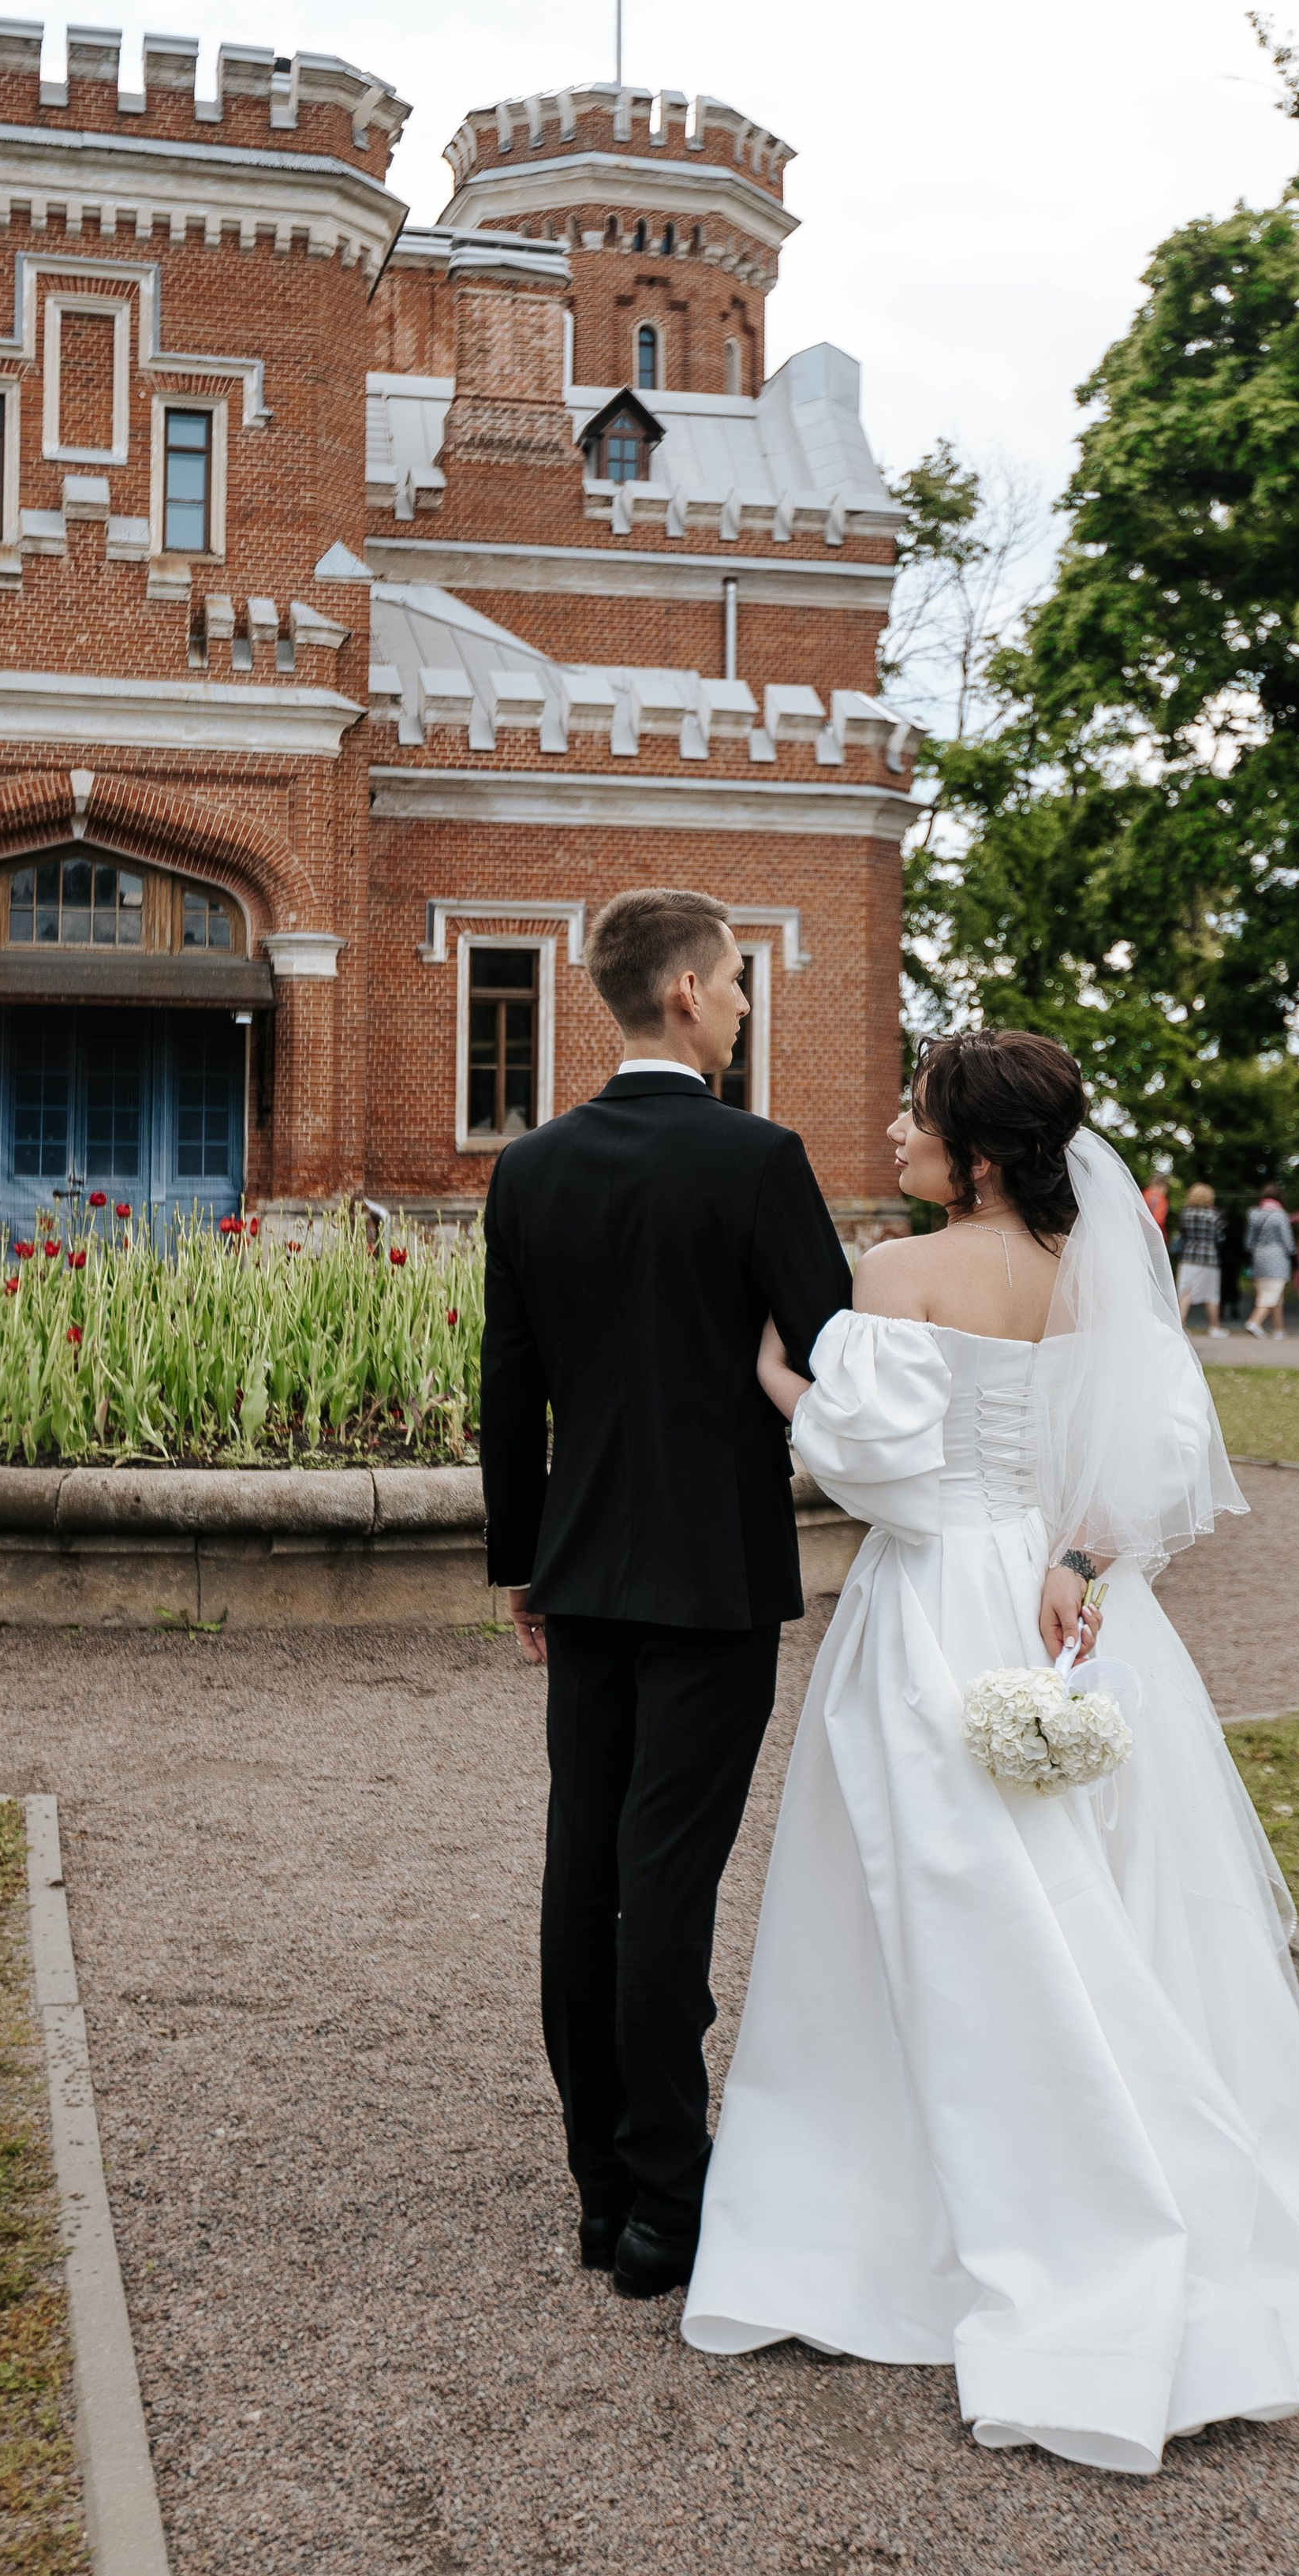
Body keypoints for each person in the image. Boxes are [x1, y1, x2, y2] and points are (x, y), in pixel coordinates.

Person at [685, 1030, 1299, 2469]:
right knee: (1109, 1892)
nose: (895, 1122)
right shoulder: (1104, 1274)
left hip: (936, 1609)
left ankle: (908, 2216)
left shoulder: (895, 1274)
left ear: (973, 1153)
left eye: (914, 1110)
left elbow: (880, 1474)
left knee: (923, 1897)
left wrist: (782, 1382)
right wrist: (1079, 1553)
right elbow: (1160, 1455)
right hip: (1073, 1614)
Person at [479, 887, 852, 2301]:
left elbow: (510, 1387)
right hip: (713, 1570)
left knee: (585, 1868)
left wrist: (522, 1559)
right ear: (689, 991)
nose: (748, 1006)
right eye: (740, 984)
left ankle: (597, 2190)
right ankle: (665, 2206)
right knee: (667, 1880)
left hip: (583, 1565)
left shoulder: (534, 1166)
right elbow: (831, 1350)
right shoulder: (758, 1160)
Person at [1241, 1187, 1296, 1337]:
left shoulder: (1253, 1214)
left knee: (1271, 1295)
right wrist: (1292, 1254)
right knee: (1272, 1293)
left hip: (1258, 1257)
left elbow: (1248, 1242)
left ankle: (1279, 1330)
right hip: (1276, 1257)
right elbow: (1287, 1241)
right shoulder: (1280, 1215)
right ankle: (1254, 1322)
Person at [1173, 1180, 1224, 1337]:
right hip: (1208, 1258)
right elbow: (1220, 1237)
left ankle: (1180, 1325)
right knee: (1211, 1294)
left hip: (1189, 1257)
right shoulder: (1214, 1215)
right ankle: (1214, 1327)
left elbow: (1183, 1235)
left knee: (1185, 1292)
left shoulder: (1186, 1214)